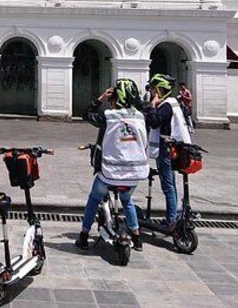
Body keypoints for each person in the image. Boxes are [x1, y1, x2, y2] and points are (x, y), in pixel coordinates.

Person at [75, 78, 151, 251]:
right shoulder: (142, 117)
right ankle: (137, 239)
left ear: (114, 100)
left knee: (94, 198)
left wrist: (100, 98)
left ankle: (84, 236)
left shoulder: (108, 117)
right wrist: (135, 99)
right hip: (135, 174)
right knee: (127, 200)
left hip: (110, 173)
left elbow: (86, 114)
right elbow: (148, 109)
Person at [145, 74, 192, 229]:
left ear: (160, 90)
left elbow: (155, 122)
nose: (151, 92)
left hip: (165, 150)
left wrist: (152, 106)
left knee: (168, 185)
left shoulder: (166, 106)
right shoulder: (172, 103)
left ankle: (171, 219)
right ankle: (173, 216)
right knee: (170, 184)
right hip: (170, 149)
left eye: (153, 89)